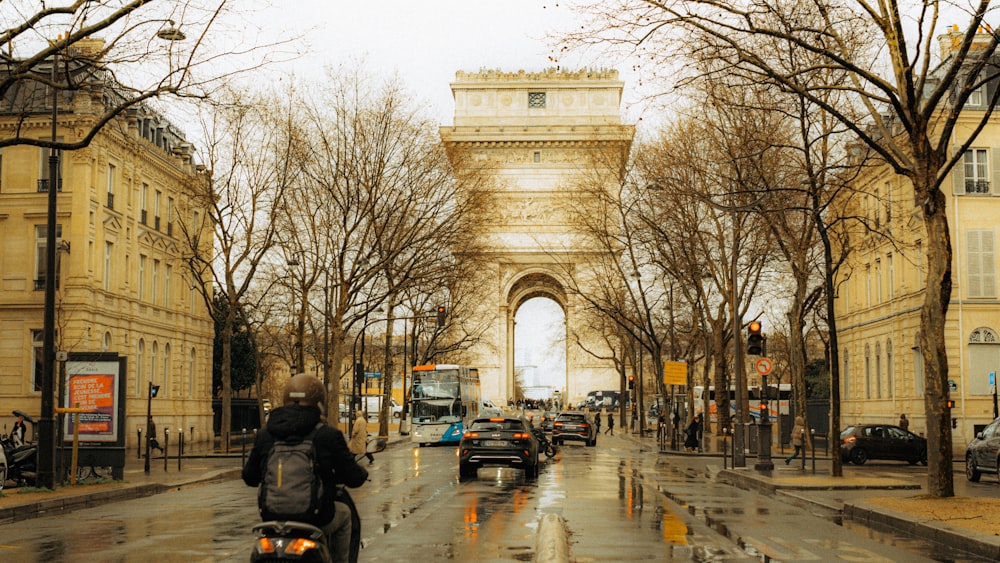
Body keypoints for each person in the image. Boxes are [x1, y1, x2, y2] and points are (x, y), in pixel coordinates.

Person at [243, 374, 368, 562]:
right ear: (319, 403)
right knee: (345, 515)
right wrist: (361, 472)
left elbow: (249, 477)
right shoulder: (326, 435)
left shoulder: (266, 435)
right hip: (315, 519)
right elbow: (353, 478)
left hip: (272, 520)